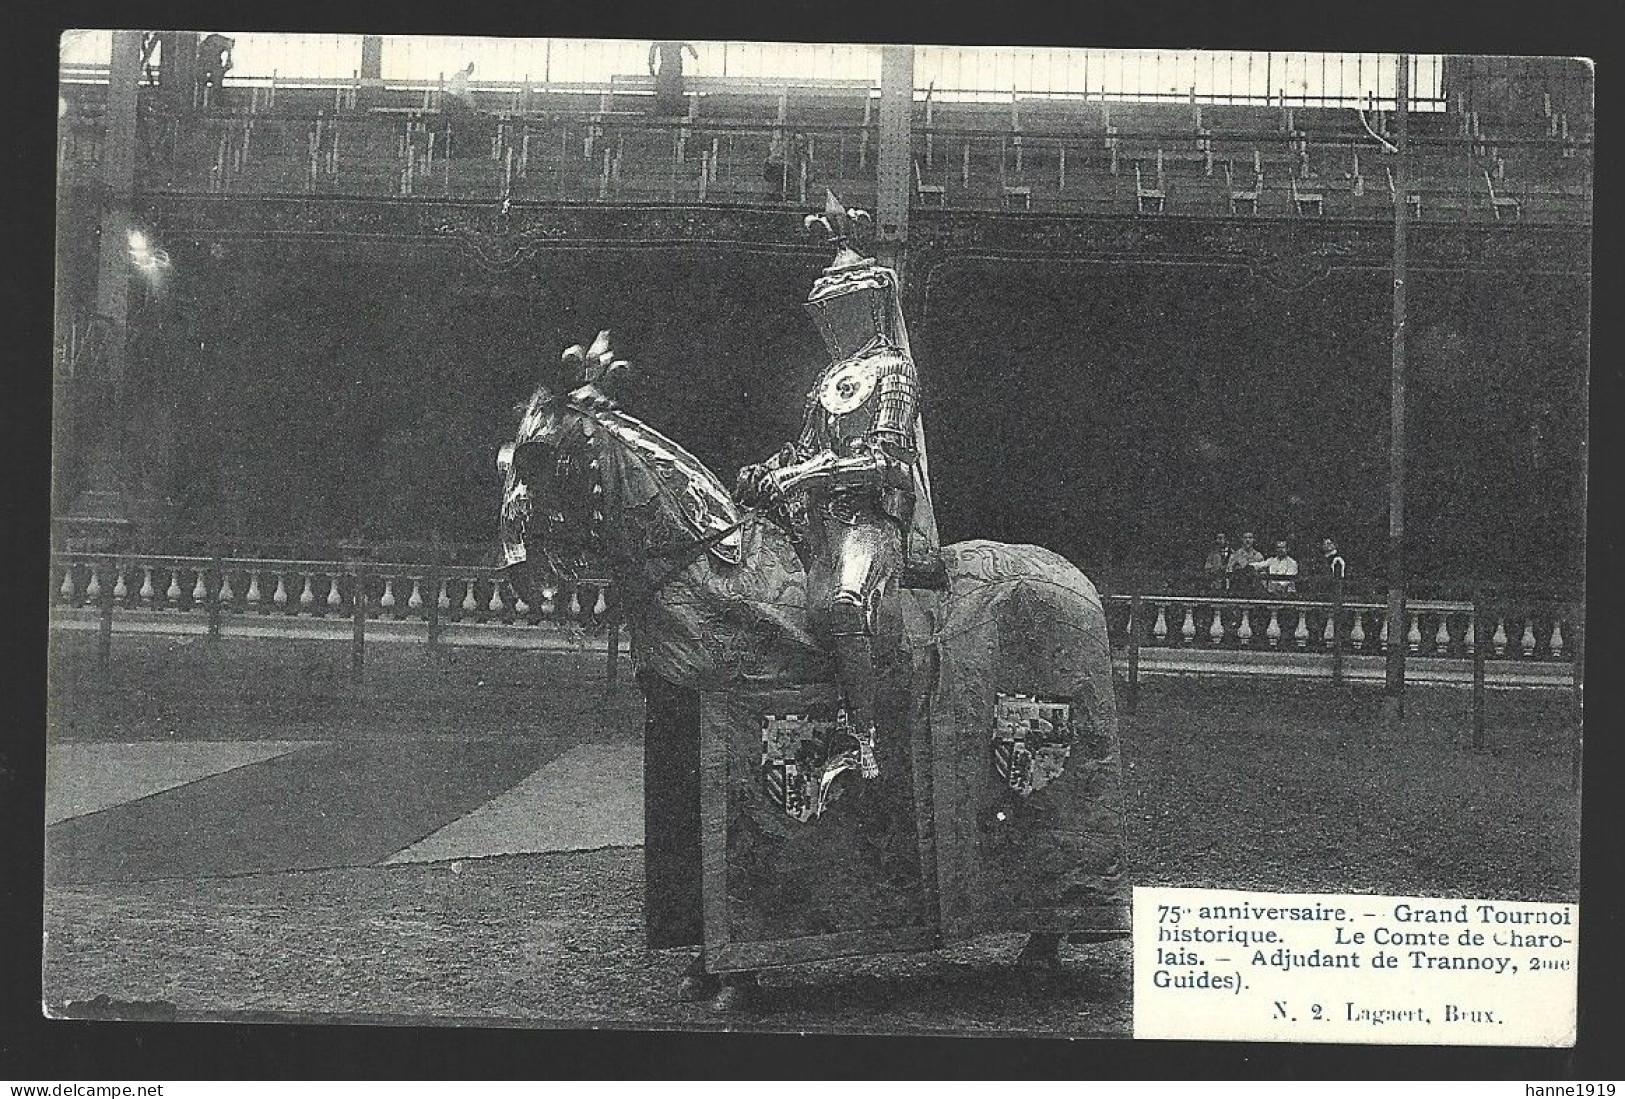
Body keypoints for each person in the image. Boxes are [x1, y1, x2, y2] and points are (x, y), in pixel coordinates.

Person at [735, 193, 934, 785]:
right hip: (821, 518)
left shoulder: (894, 369)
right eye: (827, 310)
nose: (833, 321)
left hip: (872, 517)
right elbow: (801, 447)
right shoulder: (828, 378)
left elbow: (884, 456)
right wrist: (763, 471)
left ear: (869, 305)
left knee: (845, 604)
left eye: (843, 306)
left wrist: (806, 474)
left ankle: (862, 735)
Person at [648, 41, 698, 117]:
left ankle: (665, 113)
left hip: (667, 69)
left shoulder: (664, 42)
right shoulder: (676, 42)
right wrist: (694, 53)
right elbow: (688, 45)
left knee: (665, 91)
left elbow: (653, 47)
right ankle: (671, 113)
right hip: (674, 69)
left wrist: (651, 65)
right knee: (673, 92)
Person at [196, 34, 234, 108]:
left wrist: (225, 68)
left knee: (213, 85)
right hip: (207, 65)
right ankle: (210, 104)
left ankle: (212, 104)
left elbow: (228, 62)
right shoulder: (218, 43)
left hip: (208, 65)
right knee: (210, 85)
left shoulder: (215, 44)